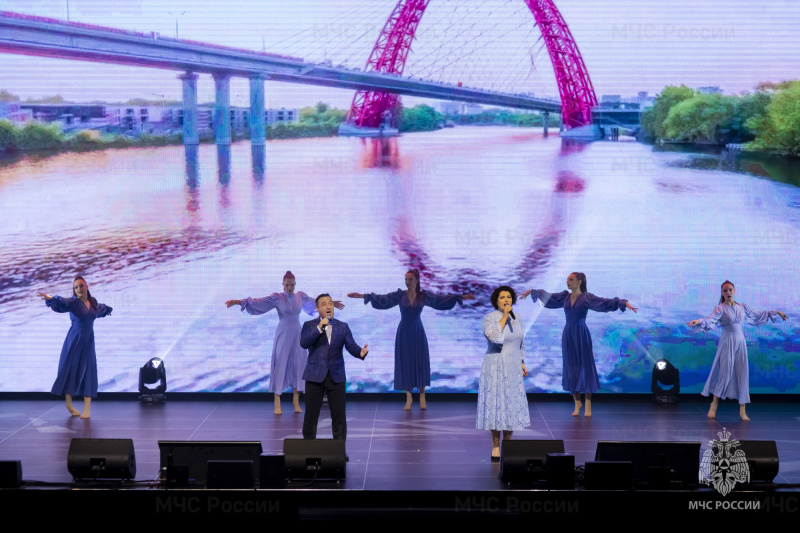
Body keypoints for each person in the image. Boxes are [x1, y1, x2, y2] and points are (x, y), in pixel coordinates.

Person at [348, 269, 474, 410]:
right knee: (405, 363)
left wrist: (460, 297)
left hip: (418, 332)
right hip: (404, 333)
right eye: (406, 279)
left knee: (420, 362)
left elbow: (440, 300)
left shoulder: (423, 295)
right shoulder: (400, 295)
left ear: (417, 280)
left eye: (410, 279)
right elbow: (383, 299)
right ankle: (408, 398)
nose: (407, 282)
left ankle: (422, 396)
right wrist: (361, 296)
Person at [225, 271, 343, 415]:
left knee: (298, 364)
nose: (289, 288)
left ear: (295, 284)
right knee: (281, 363)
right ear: (283, 284)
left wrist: (331, 304)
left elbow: (316, 302)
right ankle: (277, 402)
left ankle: (296, 400)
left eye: (292, 285)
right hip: (283, 333)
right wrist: (237, 302)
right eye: (287, 285)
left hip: (297, 333)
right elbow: (258, 301)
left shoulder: (300, 296)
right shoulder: (277, 297)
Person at [521, 273, 636, 417]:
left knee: (585, 367)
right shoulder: (565, 297)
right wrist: (532, 292)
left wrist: (623, 303)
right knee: (571, 367)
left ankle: (587, 404)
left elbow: (604, 302)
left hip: (581, 334)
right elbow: (550, 297)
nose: (567, 281)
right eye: (567, 279)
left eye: (571, 279)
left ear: (579, 282)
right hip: (568, 334)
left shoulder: (587, 297)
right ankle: (577, 403)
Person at [687, 280, 787, 421]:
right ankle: (714, 405)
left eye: (730, 290)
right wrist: (698, 321)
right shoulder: (720, 308)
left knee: (742, 372)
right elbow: (710, 320)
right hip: (727, 342)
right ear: (722, 293)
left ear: (734, 291)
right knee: (725, 372)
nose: (728, 292)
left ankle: (742, 410)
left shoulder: (742, 307)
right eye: (725, 290)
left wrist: (776, 312)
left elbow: (757, 315)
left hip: (740, 342)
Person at [38, 276, 112, 419]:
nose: (78, 289)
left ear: (86, 286)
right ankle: (69, 405)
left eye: (81, 286)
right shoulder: (74, 303)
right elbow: (63, 301)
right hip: (74, 341)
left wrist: (107, 309)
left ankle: (87, 409)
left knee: (89, 371)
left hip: (89, 341)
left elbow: (99, 310)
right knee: (70, 371)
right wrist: (52, 298)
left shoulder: (93, 302)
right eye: (76, 287)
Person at [300, 294, 368, 441]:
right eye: (324, 304)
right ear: (317, 308)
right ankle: (308, 450)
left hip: (336, 376)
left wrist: (360, 352)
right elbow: (304, 343)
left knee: (339, 416)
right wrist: (319, 327)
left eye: (330, 303)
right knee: (311, 416)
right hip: (314, 375)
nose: (329, 306)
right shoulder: (309, 325)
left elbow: (351, 346)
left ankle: (339, 451)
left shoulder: (343, 326)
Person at [477, 286, 529, 461]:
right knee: (496, 404)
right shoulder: (489, 318)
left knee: (510, 404)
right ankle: (496, 445)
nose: (506, 300)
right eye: (502, 297)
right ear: (496, 301)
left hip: (513, 365)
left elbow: (520, 341)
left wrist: (522, 361)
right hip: (495, 366)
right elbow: (495, 338)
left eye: (509, 297)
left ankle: (508, 443)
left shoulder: (518, 318)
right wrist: (505, 316)